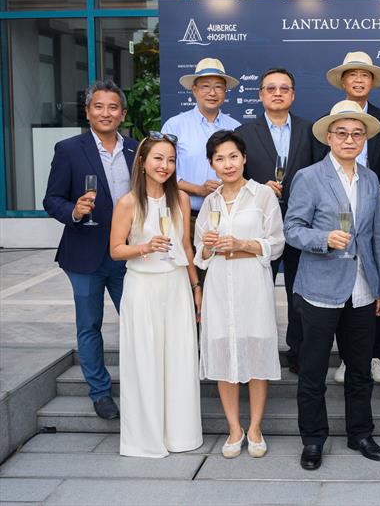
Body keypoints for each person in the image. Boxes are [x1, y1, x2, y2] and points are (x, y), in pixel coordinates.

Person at [284, 100, 380, 471]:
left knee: (360, 369)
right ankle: (313, 439)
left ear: (364, 139)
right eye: (342, 133)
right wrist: (323, 238)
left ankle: (360, 433)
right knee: (312, 371)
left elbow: (379, 236)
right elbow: (292, 229)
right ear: (329, 137)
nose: (349, 139)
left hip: (361, 289)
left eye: (357, 133)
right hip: (319, 290)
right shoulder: (309, 177)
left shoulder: (371, 179)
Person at [43, 80, 138, 420]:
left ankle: (140, 386)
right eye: (99, 106)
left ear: (123, 113)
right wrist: (74, 212)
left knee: (137, 322)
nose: (106, 113)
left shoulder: (135, 150)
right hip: (83, 254)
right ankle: (100, 393)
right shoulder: (68, 149)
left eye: (113, 107)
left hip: (126, 254)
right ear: (88, 112)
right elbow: (51, 199)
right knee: (89, 325)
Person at [109, 132, 203, 457]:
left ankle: (181, 436)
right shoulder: (128, 203)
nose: (165, 165)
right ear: (143, 162)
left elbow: (187, 246)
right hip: (143, 288)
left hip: (176, 286)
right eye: (159, 159)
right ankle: (145, 439)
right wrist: (144, 247)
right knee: (146, 363)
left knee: (179, 361)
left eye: (171, 160)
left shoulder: (180, 199)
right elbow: (115, 250)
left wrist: (196, 287)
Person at [195, 130, 285, 458]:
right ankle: (234, 428)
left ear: (244, 158)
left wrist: (241, 244)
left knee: (257, 350)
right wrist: (207, 247)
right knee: (222, 352)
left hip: (252, 283)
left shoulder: (262, 196)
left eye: (233, 156)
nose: (228, 164)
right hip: (219, 284)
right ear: (212, 164)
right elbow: (199, 250)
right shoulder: (210, 202)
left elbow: (276, 244)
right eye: (220, 158)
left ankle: (256, 427)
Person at [324, 52, 380, 385]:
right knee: (344, 278)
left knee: (376, 279)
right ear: (343, 81)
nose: (358, 81)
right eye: (352, 75)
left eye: (365, 76)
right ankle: (347, 356)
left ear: (372, 82)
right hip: (340, 215)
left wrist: (372, 191)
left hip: (376, 210)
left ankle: (375, 356)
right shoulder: (329, 120)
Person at [236, 68, 319, 374]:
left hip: (301, 224)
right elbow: (235, 178)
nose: (277, 93)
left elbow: (319, 174)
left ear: (293, 95)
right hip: (258, 225)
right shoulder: (244, 133)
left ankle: (297, 351)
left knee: (299, 293)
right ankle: (255, 352)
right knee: (257, 292)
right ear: (260, 95)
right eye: (270, 88)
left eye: (284, 88)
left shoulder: (309, 130)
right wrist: (259, 188)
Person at [162, 58, 240, 215]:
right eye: (205, 87)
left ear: (225, 91)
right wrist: (198, 189)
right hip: (185, 215)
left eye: (218, 87)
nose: (212, 93)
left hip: (228, 215)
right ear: (194, 90)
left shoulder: (236, 128)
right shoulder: (174, 126)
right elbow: (162, 171)